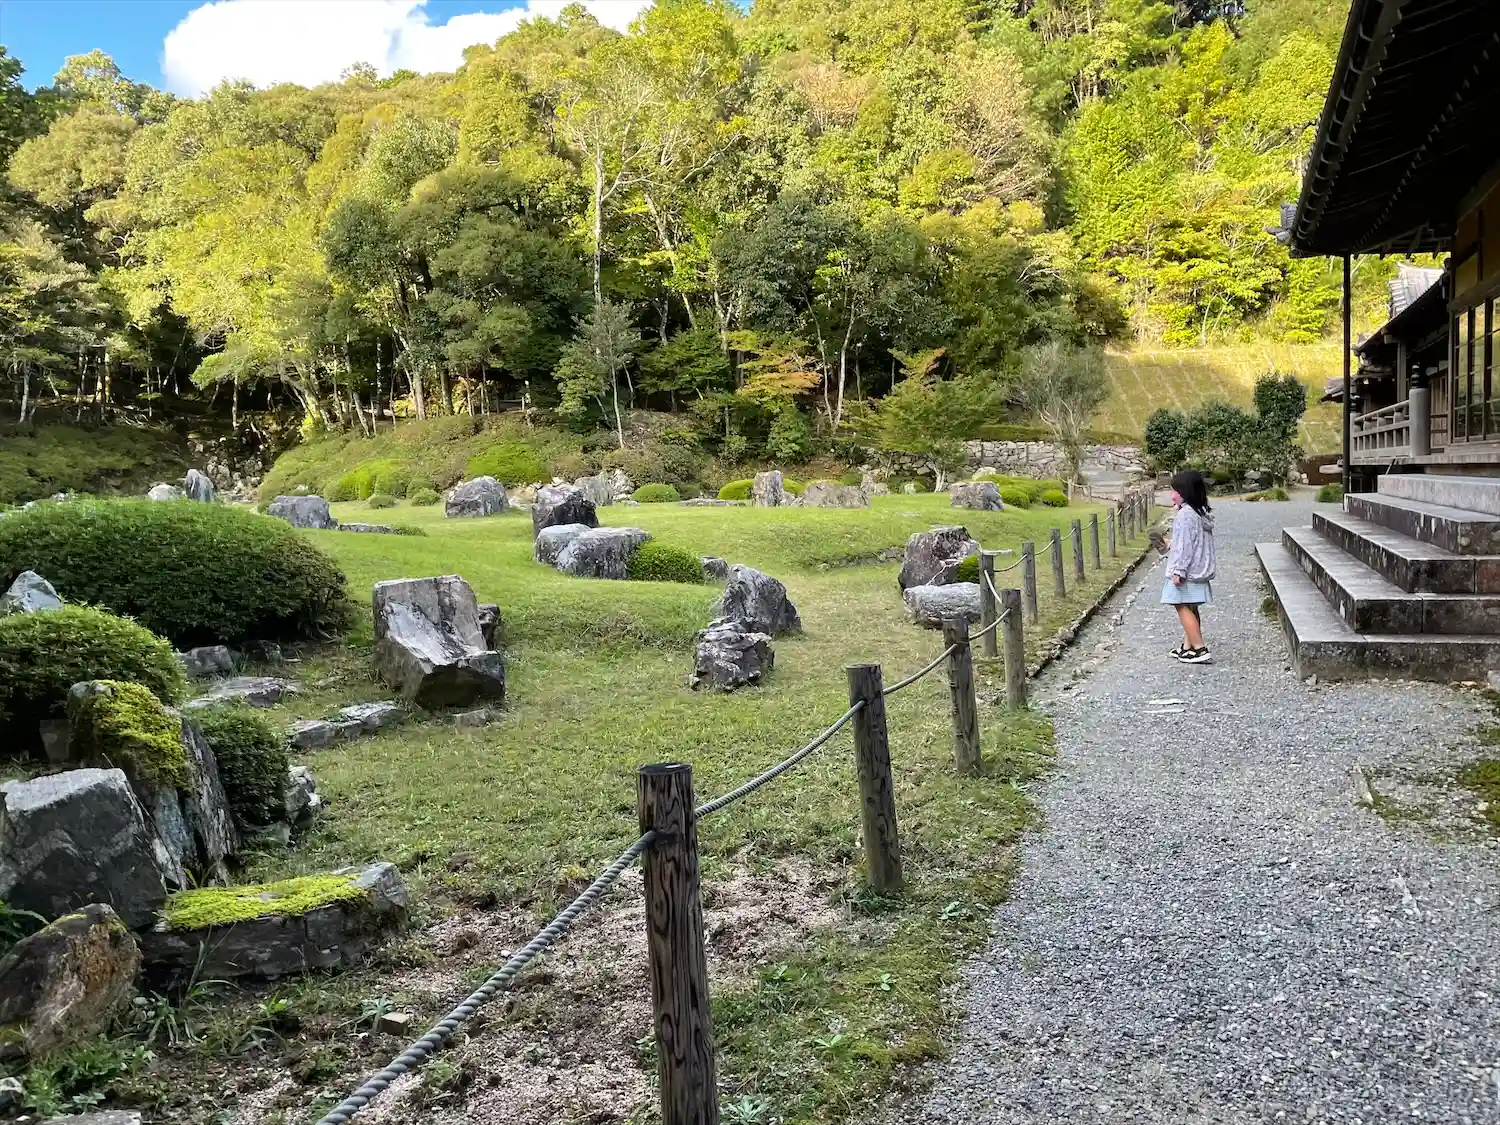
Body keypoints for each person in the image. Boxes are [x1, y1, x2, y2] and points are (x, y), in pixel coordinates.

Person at [1161, 469, 1216, 664]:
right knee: (1191, 606)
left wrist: (1179, 571)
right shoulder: (1199, 512)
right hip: (1199, 568)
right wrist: (1170, 544)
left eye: (1175, 491)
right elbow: (1191, 541)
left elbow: (1185, 547)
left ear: (1185, 492)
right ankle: (1188, 647)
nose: (1172, 495)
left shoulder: (1185, 515)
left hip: (1188, 571)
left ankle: (1200, 649)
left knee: (1181, 605)